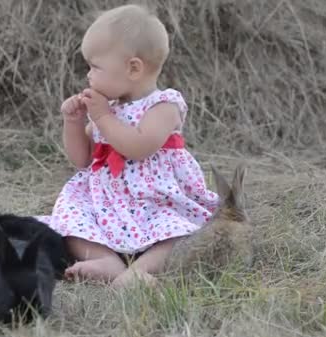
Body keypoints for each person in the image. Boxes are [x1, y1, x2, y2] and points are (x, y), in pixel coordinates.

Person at [36, 4, 219, 288]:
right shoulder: (108, 109)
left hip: (155, 199)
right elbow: (82, 159)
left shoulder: (164, 105)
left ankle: (140, 271)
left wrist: (102, 117)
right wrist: (72, 123)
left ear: (133, 68)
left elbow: (139, 147)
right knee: (71, 220)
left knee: (178, 233)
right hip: (108, 201)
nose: (88, 75)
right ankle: (107, 261)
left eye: (95, 66)